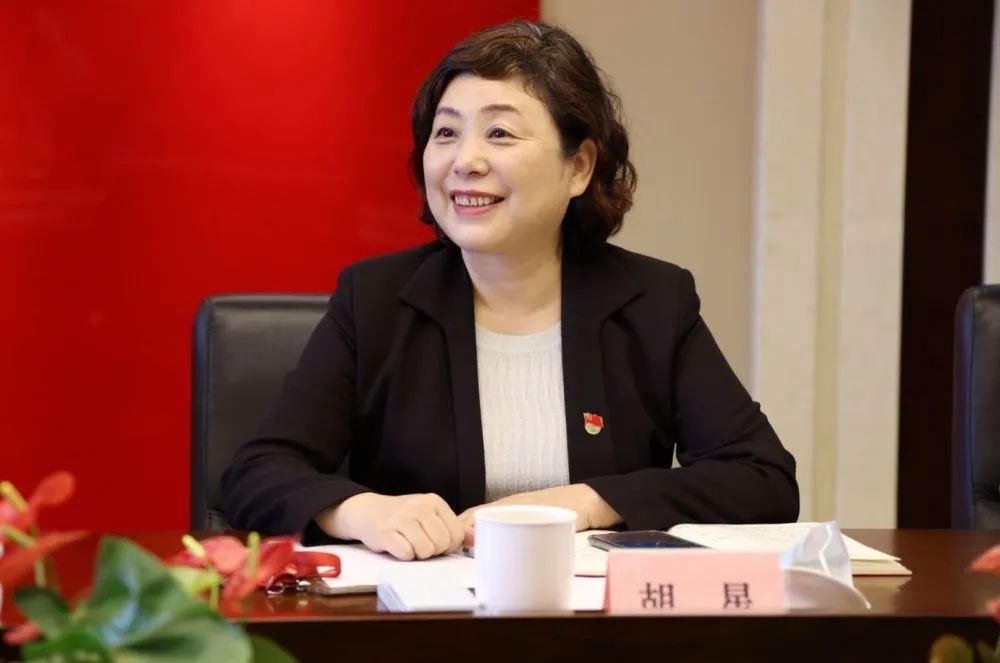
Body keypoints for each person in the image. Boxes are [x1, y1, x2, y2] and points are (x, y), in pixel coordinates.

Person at [221, 19, 798, 561]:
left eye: (499, 133)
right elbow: (256, 473)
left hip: (594, 618)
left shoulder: (653, 301)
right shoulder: (375, 300)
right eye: (446, 133)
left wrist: (588, 501)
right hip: (424, 616)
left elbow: (762, 479)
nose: (465, 161)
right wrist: (361, 511)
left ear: (579, 167)